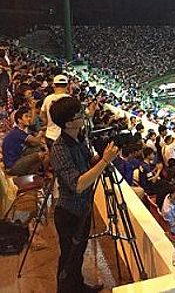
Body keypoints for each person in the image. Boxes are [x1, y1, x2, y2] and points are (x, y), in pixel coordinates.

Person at [47, 96, 120, 293]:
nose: (84, 115)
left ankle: (78, 287)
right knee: (69, 258)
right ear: (68, 123)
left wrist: (103, 155)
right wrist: (104, 161)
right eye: (79, 114)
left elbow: (90, 162)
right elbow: (78, 185)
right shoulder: (59, 149)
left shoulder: (79, 138)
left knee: (78, 255)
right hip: (69, 213)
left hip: (84, 209)